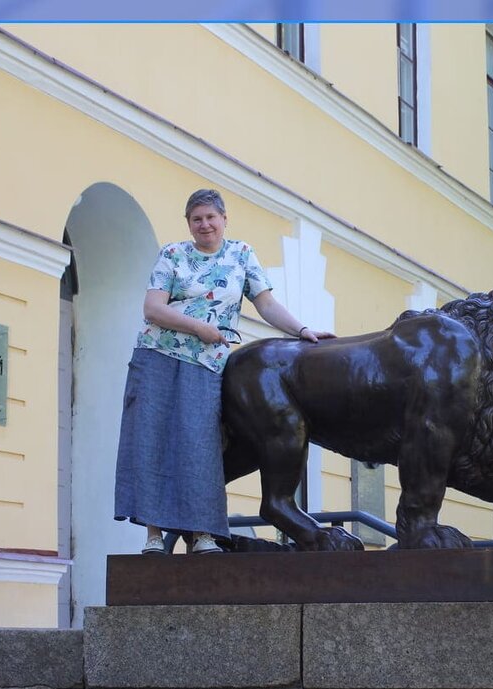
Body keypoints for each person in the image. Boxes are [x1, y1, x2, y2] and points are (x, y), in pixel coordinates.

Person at [114, 188, 334, 555]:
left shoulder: (241, 255)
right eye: (196, 219)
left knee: (202, 447)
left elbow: (265, 303)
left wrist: (301, 330)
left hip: (206, 366)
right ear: (189, 223)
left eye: (210, 217)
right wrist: (199, 328)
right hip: (158, 357)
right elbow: (153, 309)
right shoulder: (172, 254)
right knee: (152, 442)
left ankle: (202, 534)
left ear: (224, 219)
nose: (204, 224)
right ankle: (153, 535)